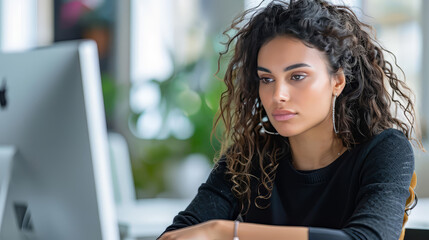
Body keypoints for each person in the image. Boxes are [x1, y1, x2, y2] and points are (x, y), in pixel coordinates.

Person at [158, 0, 423, 239]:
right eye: (267, 79)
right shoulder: (251, 157)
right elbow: (180, 233)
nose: (278, 95)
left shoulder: (384, 150)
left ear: (338, 81)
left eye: (297, 76)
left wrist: (227, 230)